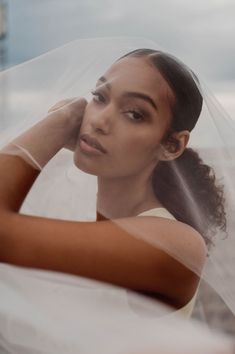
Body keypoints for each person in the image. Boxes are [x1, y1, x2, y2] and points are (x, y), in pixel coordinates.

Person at [0, 48, 226, 315]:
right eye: (99, 97)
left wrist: (62, 121)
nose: (99, 120)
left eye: (134, 114)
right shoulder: (84, 220)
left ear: (172, 145)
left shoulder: (176, 243)